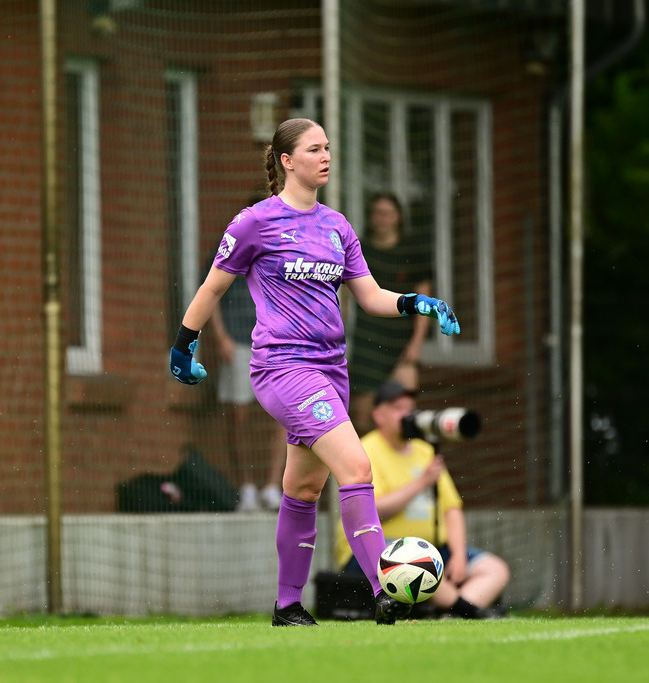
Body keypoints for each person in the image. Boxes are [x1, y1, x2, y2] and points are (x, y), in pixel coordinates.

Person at [169, 118, 461, 627]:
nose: (325, 155)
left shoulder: (338, 226)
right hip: (282, 368)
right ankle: (385, 591)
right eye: (313, 149)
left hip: (331, 370)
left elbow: (370, 298)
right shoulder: (254, 222)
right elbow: (212, 288)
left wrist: (418, 302)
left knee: (304, 490)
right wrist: (183, 345)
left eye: (328, 147)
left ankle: (286, 607)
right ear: (287, 161)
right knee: (358, 469)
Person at [334, 380, 510, 619]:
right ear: (378, 415)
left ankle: (453, 616)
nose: (407, 414)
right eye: (398, 408)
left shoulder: (425, 450)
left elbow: (452, 509)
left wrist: (458, 555)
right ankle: (470, 612)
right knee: (417, 563)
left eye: (410, 407)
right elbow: (371, 510)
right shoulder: (365, 451)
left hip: (433, 548)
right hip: (372, 550)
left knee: (495, 569)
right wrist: (421, 482)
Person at [206, 192, 286, 512]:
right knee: (238, 416)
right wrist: (221, 337)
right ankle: (246, 488)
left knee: (282, 415)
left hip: (279, 343)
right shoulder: (231, 242)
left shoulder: (288, 248)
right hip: (239, 342)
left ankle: (271, 486)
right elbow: (210, 290)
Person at [348, 192, 433, 435]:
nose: (382, 219)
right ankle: (367, 471)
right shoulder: (358, 250)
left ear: (398, 218)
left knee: (402, 418)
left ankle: (400, 472)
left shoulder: (413, 253)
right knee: (363, 418)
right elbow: (344, 298)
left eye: (388, 214)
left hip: (401, 344)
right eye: (377, 213)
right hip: (367, 342)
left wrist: (416, 345)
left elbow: (423, 304)